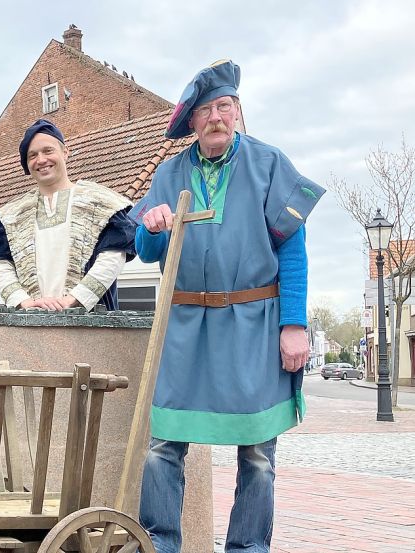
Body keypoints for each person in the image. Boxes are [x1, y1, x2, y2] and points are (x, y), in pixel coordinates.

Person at [130, 60, 324, 553]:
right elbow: (148, 251)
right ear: (191, 122)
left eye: (224, 106)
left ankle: (248, 549)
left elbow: (292, 251)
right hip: (186, 326)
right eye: (204, 110)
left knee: (258, 453)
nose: (215, 117)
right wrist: (152, 227)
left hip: (254, 324)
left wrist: (294, 324)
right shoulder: (170, 172)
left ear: (237, 112)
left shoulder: (269, 164)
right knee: (162, 447)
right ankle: (160, 545)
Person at [0, 120, 137, 311]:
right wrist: (24, 302)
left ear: (65, 152)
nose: (41, 160)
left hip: (90, 320)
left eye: (48, 151)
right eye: (32, 155)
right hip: (30, 322)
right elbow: (1, 265)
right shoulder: (12, 215)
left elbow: (112, 257)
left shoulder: (103, 202)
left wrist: (73, 299)